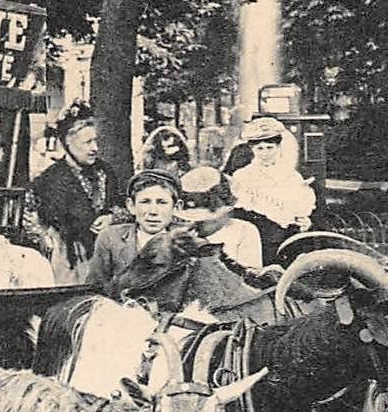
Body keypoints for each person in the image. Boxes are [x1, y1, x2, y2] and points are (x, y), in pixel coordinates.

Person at [82, 168, 253, 313]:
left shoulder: (187, 243)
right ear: (131, 206)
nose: (153, 211)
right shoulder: (111, 238)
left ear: (176, 207)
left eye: (162, 202)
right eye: (145, 202)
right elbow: (95, 290)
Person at [30, 103, 126, 284]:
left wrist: (111, 218)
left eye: (96, 141)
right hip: (70, 260)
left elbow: (120, 204)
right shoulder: (51, 179)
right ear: (68, 142)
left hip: (108, 256)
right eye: (88, 142)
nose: (95, 148)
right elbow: (43, 222)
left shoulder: (105, 171)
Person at [227, 116, 316, 261]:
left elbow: (302, 207)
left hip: (282, 236)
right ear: (252, 149)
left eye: (270, 148)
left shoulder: (291, 176)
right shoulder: (242, 175)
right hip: (252, 235)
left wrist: (306, 220)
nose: (265, 153)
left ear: (278, 147)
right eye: (259, 148)